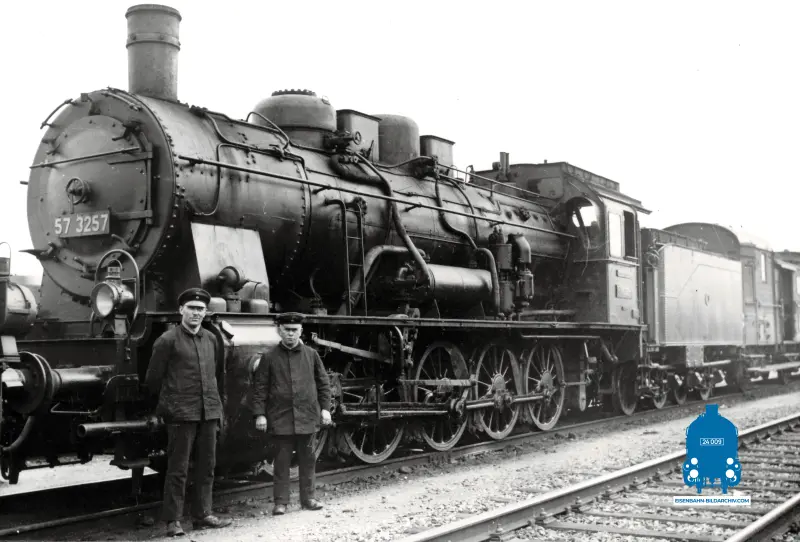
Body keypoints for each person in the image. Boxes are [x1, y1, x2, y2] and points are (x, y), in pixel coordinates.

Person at [145, 288, 232, 537]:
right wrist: (161, 409)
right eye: (192, 308)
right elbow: (153, 379)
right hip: (181, 413)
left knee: (207, 466)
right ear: (181, 310)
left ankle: (203, 515)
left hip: (208, 412)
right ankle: (173, 521)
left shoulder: (211, 339)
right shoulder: (167, 340)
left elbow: (217, 376)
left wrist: (218, 408)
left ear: (206, 312)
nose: (196, 313)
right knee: (178, 469)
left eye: (200, 309)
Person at [251, 312, 332, 515]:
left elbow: (323, 383)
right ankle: (281, 502)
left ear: (301, 331)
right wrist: (259, 414)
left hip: (307, 416)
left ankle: (309, 499)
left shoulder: (311, 355)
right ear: (280, 331)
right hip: (281, 418)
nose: (290, 334)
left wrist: (325, 409)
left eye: (294, 330)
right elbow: (260, 388)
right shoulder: (269, 357)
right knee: (281, 462)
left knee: (308, 460)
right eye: (287, 330)